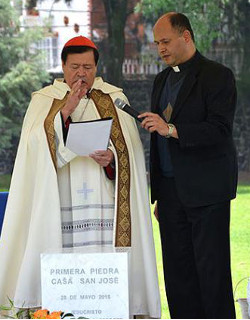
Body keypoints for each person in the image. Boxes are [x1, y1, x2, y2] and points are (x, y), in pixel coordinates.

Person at [0, 36, 161, 318]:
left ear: (96, 68)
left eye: (87, 67)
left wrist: (113, 159)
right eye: (75, 66)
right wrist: (66, 110)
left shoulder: (114, 98)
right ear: (62, 66)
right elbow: (34, 147)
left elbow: (130, 155)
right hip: (59, 201)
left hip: (104, 205)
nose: (81, 73)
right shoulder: (44, 100)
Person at [139, 12, 237, 319]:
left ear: (186, 36)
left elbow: (220, 129)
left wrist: (171, 129)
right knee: (177, 277)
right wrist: (162, 195)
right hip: (170, 196)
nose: (161, 49)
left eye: (166, 41)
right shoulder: (161, 80)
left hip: (208, 195)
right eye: (157, 44)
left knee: (212, 274)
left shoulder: (217, 75)